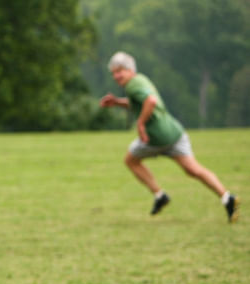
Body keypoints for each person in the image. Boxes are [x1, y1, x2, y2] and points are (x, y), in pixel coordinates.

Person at [100, 51, 239, 222]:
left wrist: (141, 124)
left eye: (119, 71)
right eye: (113, 72)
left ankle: (159, 195)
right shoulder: (140, 81)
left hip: (156, 138)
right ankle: (227, 198)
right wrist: (117, 102)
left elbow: (150, 102)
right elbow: (140, 103)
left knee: (131, 160)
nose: (116, 76)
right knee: (194, 170)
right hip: (174, 133)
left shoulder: (132, 85)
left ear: (130, 70)